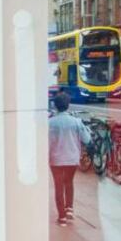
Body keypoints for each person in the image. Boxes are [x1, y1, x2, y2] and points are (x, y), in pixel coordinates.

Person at [49, 93, 91, 226]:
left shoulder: (50, 122)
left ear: (55, 106)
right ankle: (69, 209)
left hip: (56, 159)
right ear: (68, 105)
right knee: (69, 182)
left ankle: (62, 217)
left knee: (58, 186)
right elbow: (87, 139)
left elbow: (47, 142)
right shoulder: (76, 122)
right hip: (72, 158)